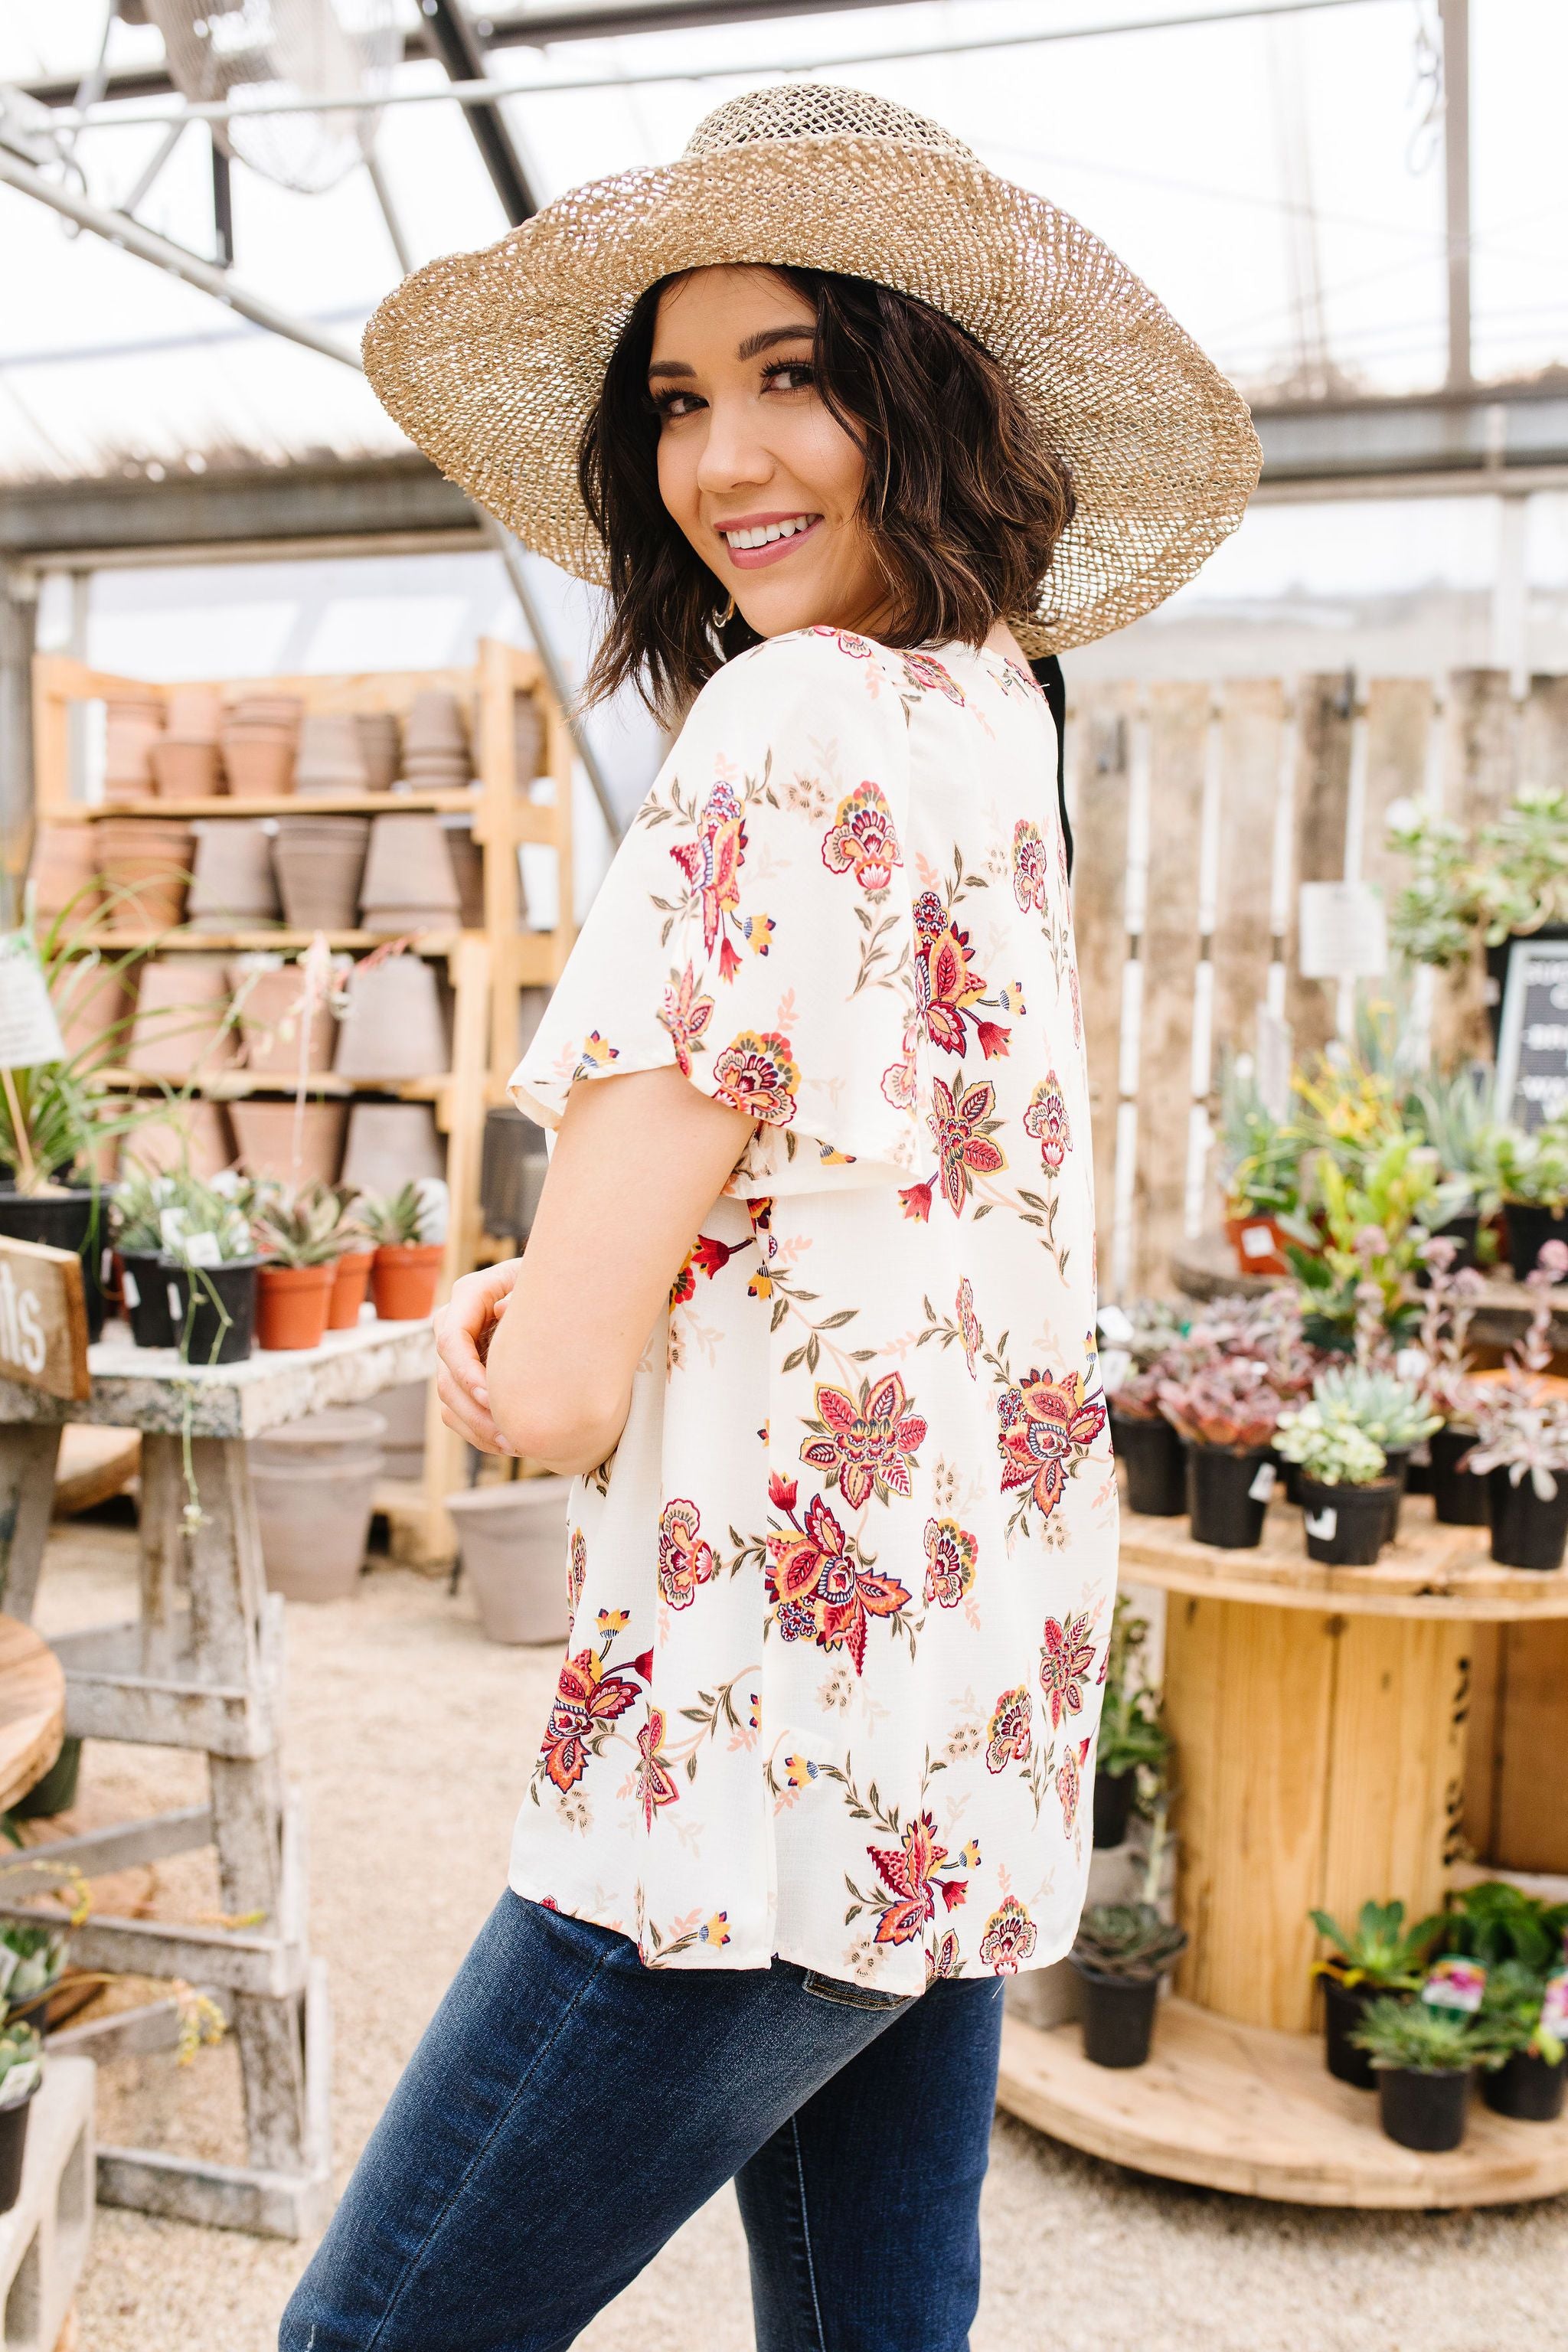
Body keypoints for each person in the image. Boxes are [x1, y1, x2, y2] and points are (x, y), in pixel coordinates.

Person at [282, 83, 1259, 2352]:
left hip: (748, 1757)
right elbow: (872, 1205)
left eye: (797, 376)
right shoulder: (997, 718)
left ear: (921, 396)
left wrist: (506, 1317)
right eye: (681, 402)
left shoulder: (784, 722)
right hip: (956, 1719)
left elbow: (555, 1400)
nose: (728, 463)